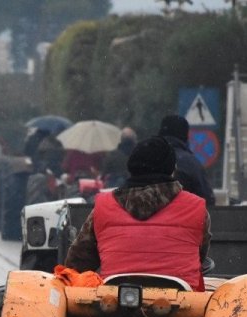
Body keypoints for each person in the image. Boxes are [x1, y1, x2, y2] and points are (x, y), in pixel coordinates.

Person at [64, 136, 211, 291]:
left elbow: (77, 264)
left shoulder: (103, 207)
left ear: (131, 167)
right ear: (172, 169)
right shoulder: (196, 209)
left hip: (114, 307)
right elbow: (199, 258)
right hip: (183, 309)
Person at [157, 114, 215, 207]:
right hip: (181, 219)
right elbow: (208, 201)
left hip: (145, 220)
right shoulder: (192, 164)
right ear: (185, 136)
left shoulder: (147, 158)